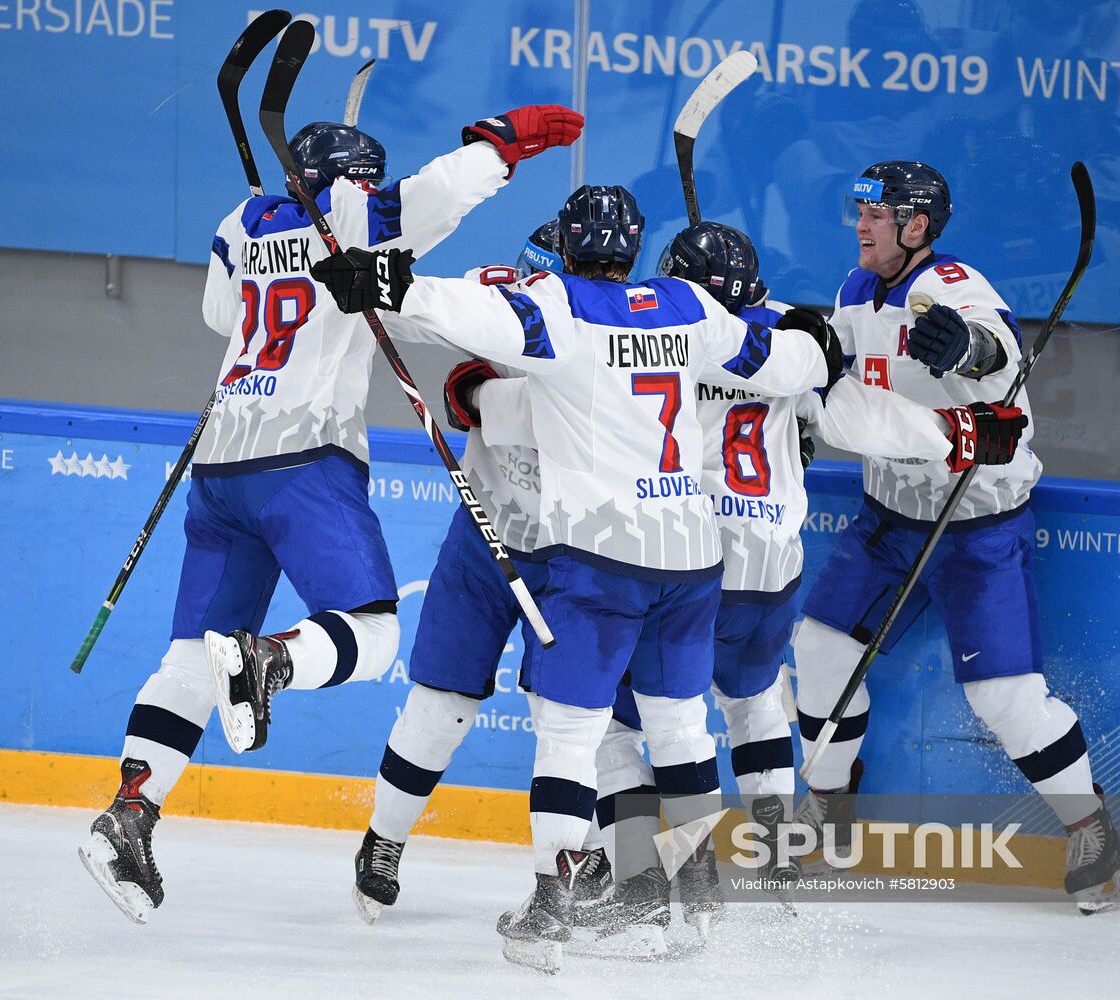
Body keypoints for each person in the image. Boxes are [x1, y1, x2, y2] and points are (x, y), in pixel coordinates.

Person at [77, 106, 583, 924]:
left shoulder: (238, 220)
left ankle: (129, 815)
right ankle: (270, 662)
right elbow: (436, 195)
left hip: (221, 466)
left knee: (186, 658)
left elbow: (222, 316)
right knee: (372, 630)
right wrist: (503, 145)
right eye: (368, 178)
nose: (376, 190)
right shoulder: (350, 212)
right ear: (349, 176)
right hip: (302, 460)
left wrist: (275, 246)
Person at [309, 183, 832, 972]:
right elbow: (776, 353)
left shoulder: (551, 308)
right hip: (679, 553)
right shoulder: (683, 307)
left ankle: (552, 902)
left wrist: (404, 302)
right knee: (676, 724)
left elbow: (452, 314)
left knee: (574, 731)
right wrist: (821, 342)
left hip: (594, 554)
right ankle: (695, 885)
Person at [587, 221, 1029, 942]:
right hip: (772, 565)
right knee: (757, 704)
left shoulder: (660, 336)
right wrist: (959, 434)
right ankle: (777, 862)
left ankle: (643, 877)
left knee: (629, 724)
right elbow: (862, 419)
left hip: (691, 567)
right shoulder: (793, 343)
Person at [791, 160, 1120, 912]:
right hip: (887, 519)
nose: (861, 224)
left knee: (1007, 699)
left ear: (916, 226)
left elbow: (997, 347)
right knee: (818, 651)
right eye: (861, 212)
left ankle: (1094, 836)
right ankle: (826, 814)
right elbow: (845, 369)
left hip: (975, 525)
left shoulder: (953, 286)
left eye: (876, 215)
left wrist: (968, 352)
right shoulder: (856, 289)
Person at [353, 222, 612, 923]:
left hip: (573, 552)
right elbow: (430, 309)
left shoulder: (606, 327)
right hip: (484, 539)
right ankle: (384, 839)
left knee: (568, 718)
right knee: (440, 706)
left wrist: (478, 398)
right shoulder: (501, 296)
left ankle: (576, 857)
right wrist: (373, 277)